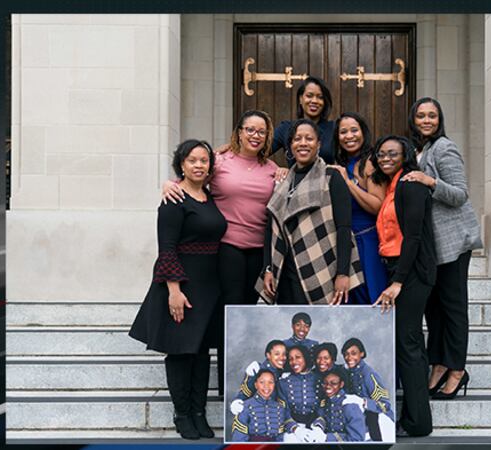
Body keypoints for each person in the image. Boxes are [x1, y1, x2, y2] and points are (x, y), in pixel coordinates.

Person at [162, 110, 280, 394]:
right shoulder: (220, 162)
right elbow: (193, 177)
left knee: (248, 315)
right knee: (231, 314)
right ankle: (226, 384)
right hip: (226, 248)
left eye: (261, 131)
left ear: (267, 136)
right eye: (249, 129)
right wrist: (169, 184)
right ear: (238, 132)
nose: (255, 135)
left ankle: (242, 375)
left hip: (258, 251)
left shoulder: (273, 169)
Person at [129, 139, 225, 440]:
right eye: (192, 160)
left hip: (209, 286)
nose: (199, 165)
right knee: (181, 352)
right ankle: (182, 413)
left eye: (204, 160)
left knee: (201, 353)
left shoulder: (208, 196)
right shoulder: (173, 198)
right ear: (181, 164)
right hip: (181, 285)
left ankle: (199, 411)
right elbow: (167, 248)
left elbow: (228, 151)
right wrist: (174, 290)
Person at [401, 97, 482, 400]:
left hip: (453, 243)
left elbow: (460, 194)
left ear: (439, 120)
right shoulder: (417, 150)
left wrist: (429, 180)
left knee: (453, 307)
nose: (426, 120)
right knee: (433, 309)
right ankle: (438, 365)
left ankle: (457, 370)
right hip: (431, 246)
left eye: (432, 116)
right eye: (420, 115)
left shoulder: (444, 148)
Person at [259, 119, 364, 305]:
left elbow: (344, 228)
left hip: (321, 267)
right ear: (290, 146)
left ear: (318, 144)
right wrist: (268, 268)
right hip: (284, 271)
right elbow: (270, 228)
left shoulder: (331, 178)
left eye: (309, 138)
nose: (303, 143)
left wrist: (342, 273)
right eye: (297, 139)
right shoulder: (283, 182)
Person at [371, 135, 435, 437]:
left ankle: (417, 423)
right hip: (399, 267)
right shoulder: (394, 186)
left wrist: (398, 281)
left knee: (407, 343)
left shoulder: (410, 185)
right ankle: (416, 418)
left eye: (392, 153)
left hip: (410, 271)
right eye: (381, 153)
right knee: (412, 345)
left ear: (406, 154)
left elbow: (414, 237)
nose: (386, 157)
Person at [327, 112, 388, 304]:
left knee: (369, 297)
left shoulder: (370, 162)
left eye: (354, 130)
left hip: (366, 242)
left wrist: (348, 182)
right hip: (344, 243)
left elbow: (378, 205)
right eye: (343, 132)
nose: (349, 136)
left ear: (363, 132)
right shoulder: (340, 164)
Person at [341, 337, 395, 441]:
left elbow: (385, 406)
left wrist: (362, 402)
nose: (349, 357)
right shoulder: (348, 372)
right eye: (346, 354)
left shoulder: (369, 374)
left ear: (361, 353)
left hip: (378, 422)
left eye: (353, 353)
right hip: (360, 420)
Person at [230, 369, 301, 442]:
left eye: (270, 382)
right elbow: (239, 440)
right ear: (256, 385)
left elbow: (280, 437)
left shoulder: (279, 408)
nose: (266, 386)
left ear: (274, 385)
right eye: (262, 382)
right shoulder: (244, 407)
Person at [229, 339, 287, 416]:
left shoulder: (282, 372)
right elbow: (244, 394)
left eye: (284, 354)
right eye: (277, 354)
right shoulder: (257, 370)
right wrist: (237, 402)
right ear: (268, 355)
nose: (282, 358)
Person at [310, 368, 367, 442]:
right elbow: (322, 416)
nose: (328, 386)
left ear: (341, 384)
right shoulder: (326, 400)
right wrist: (318, 427)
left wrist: (327, 437)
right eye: (325, 383)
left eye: (333, 383)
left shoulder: (350, 405)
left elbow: (357, 439)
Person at [276, 345, 322, 426]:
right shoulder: (284, 382)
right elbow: (283, 410)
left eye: (298, 357)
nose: (294, 362)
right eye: (290, 359)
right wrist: (294, 428)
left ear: (305, 357)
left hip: (316, 426)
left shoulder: (320, 379)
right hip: (292, 426)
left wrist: (319, 426)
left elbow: (323, 408)